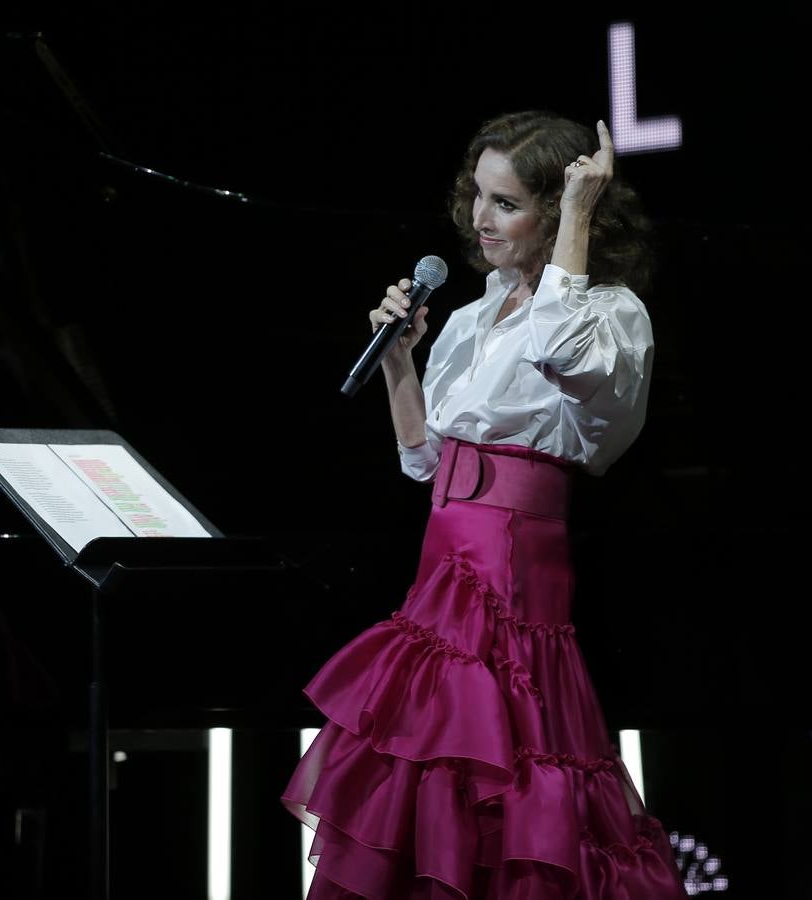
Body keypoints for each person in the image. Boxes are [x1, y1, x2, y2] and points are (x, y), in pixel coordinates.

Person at [282, 112, 685, 898]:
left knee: (508, 766)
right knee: (424, 762)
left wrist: (576, 213)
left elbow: (556, 349)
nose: (479, 218)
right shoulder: (471, 318)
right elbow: (421, 459)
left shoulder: (608, 313)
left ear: (561, 213)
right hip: (442, 568)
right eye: (477, 195)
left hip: (508, 572)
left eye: (507, 203)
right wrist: (400, 360)